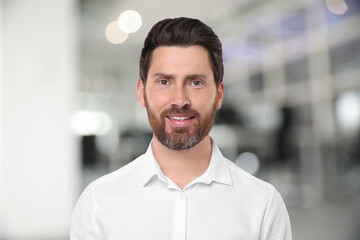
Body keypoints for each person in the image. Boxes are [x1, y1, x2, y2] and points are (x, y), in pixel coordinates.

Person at [70, 17, 292, 240]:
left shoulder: (263, 205)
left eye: (195, 82)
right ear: (141, 91)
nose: (180, 100)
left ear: (219, 94)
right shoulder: (98, 203)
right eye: (164, 82)